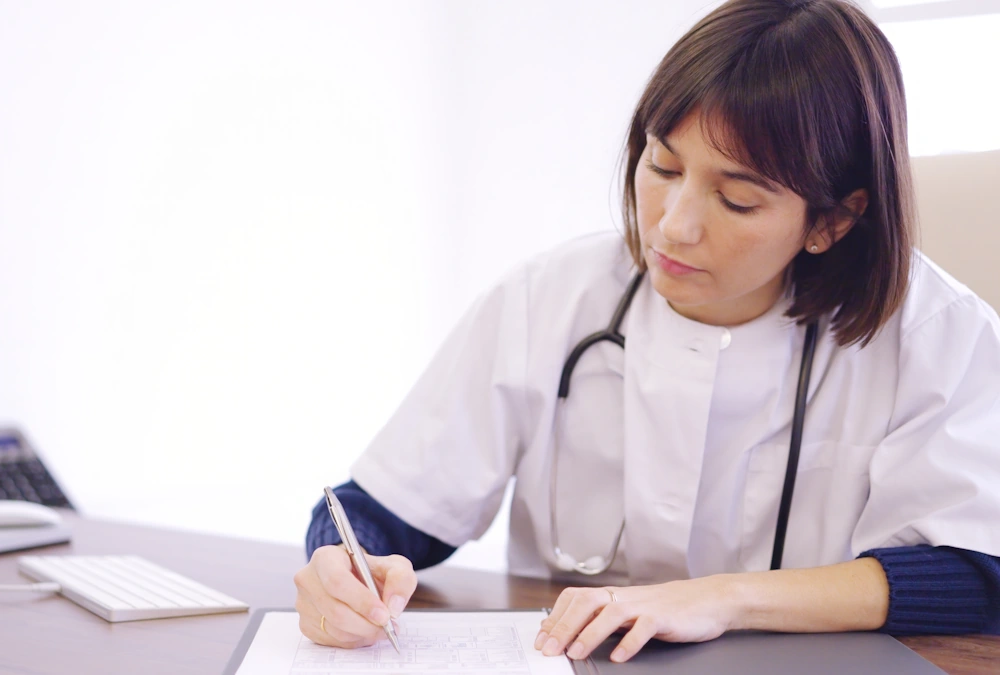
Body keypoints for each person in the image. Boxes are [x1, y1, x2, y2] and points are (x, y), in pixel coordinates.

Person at [293, 0, 1000, 664]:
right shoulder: (550, 296)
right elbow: (386, 507)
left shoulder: (939, 333)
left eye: (737, 198)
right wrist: (342, 567)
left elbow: (975, 572)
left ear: (831, 221)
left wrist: (721, 597)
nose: (674, 223)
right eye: (662, 166)